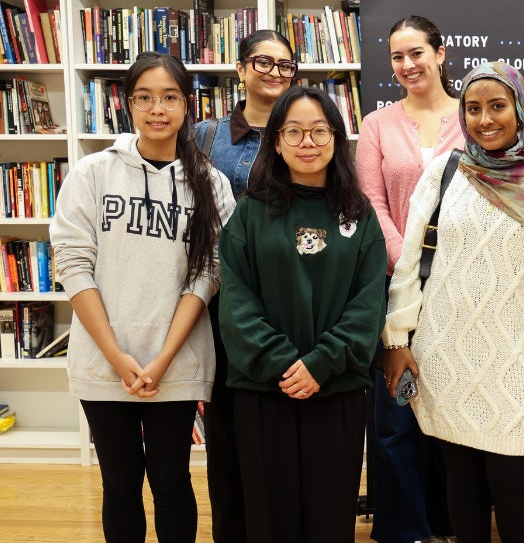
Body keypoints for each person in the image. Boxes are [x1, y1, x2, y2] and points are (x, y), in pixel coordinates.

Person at [381, 60, 524, 543]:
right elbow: (411, 264)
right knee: (461, 480)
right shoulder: (445, 171)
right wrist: (396, 340)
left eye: (497, 106)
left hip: (518, 360)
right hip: (445, 356)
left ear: (520, 109)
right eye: (473, 109)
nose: (485, 119)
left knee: (514, 484)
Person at [50, 51, 235, 543]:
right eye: (145, 97)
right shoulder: (92, 173)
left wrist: (163, 357)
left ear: (187, 105)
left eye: (170, 97)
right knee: (120, 484)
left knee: (172, 482)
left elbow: (210, 274)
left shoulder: (210, 183)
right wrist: (116, 356)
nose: (157, 109)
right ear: (127, 103)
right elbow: (72, 263)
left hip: (177, 361)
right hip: (102, 362)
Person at [217, 85, 387, 542]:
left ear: (336, 138)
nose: (307, 142)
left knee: (329, 518)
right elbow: (236, 301)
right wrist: (284, 364)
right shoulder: (250, 213)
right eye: (293, 131)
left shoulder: (359, 215)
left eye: (319, 131)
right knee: (268, 520)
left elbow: (368, 303)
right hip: (264, 391)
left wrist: (320, 363)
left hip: (336, 389)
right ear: (276, 141)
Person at [356, 15, 462, 543]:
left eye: (417, 52)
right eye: (397, 56)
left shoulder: (474, 115)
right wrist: (408, 264)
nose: (407, 64)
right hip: (395, 289)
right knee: (397, 412)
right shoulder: (377, 124)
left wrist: (445, 269)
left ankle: (448, 522)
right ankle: (403, 530)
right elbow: (370, 203)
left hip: (462, 289)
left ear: (440, 53)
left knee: (450, 408)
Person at [192, 28, 297, 543]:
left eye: (285, 65)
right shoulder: (204, 137)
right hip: (217, 305)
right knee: (227, 430)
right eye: (263, 62)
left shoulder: (301, 133)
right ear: (240, 69)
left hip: (286, 305)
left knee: (280, 430)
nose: (275, 72)